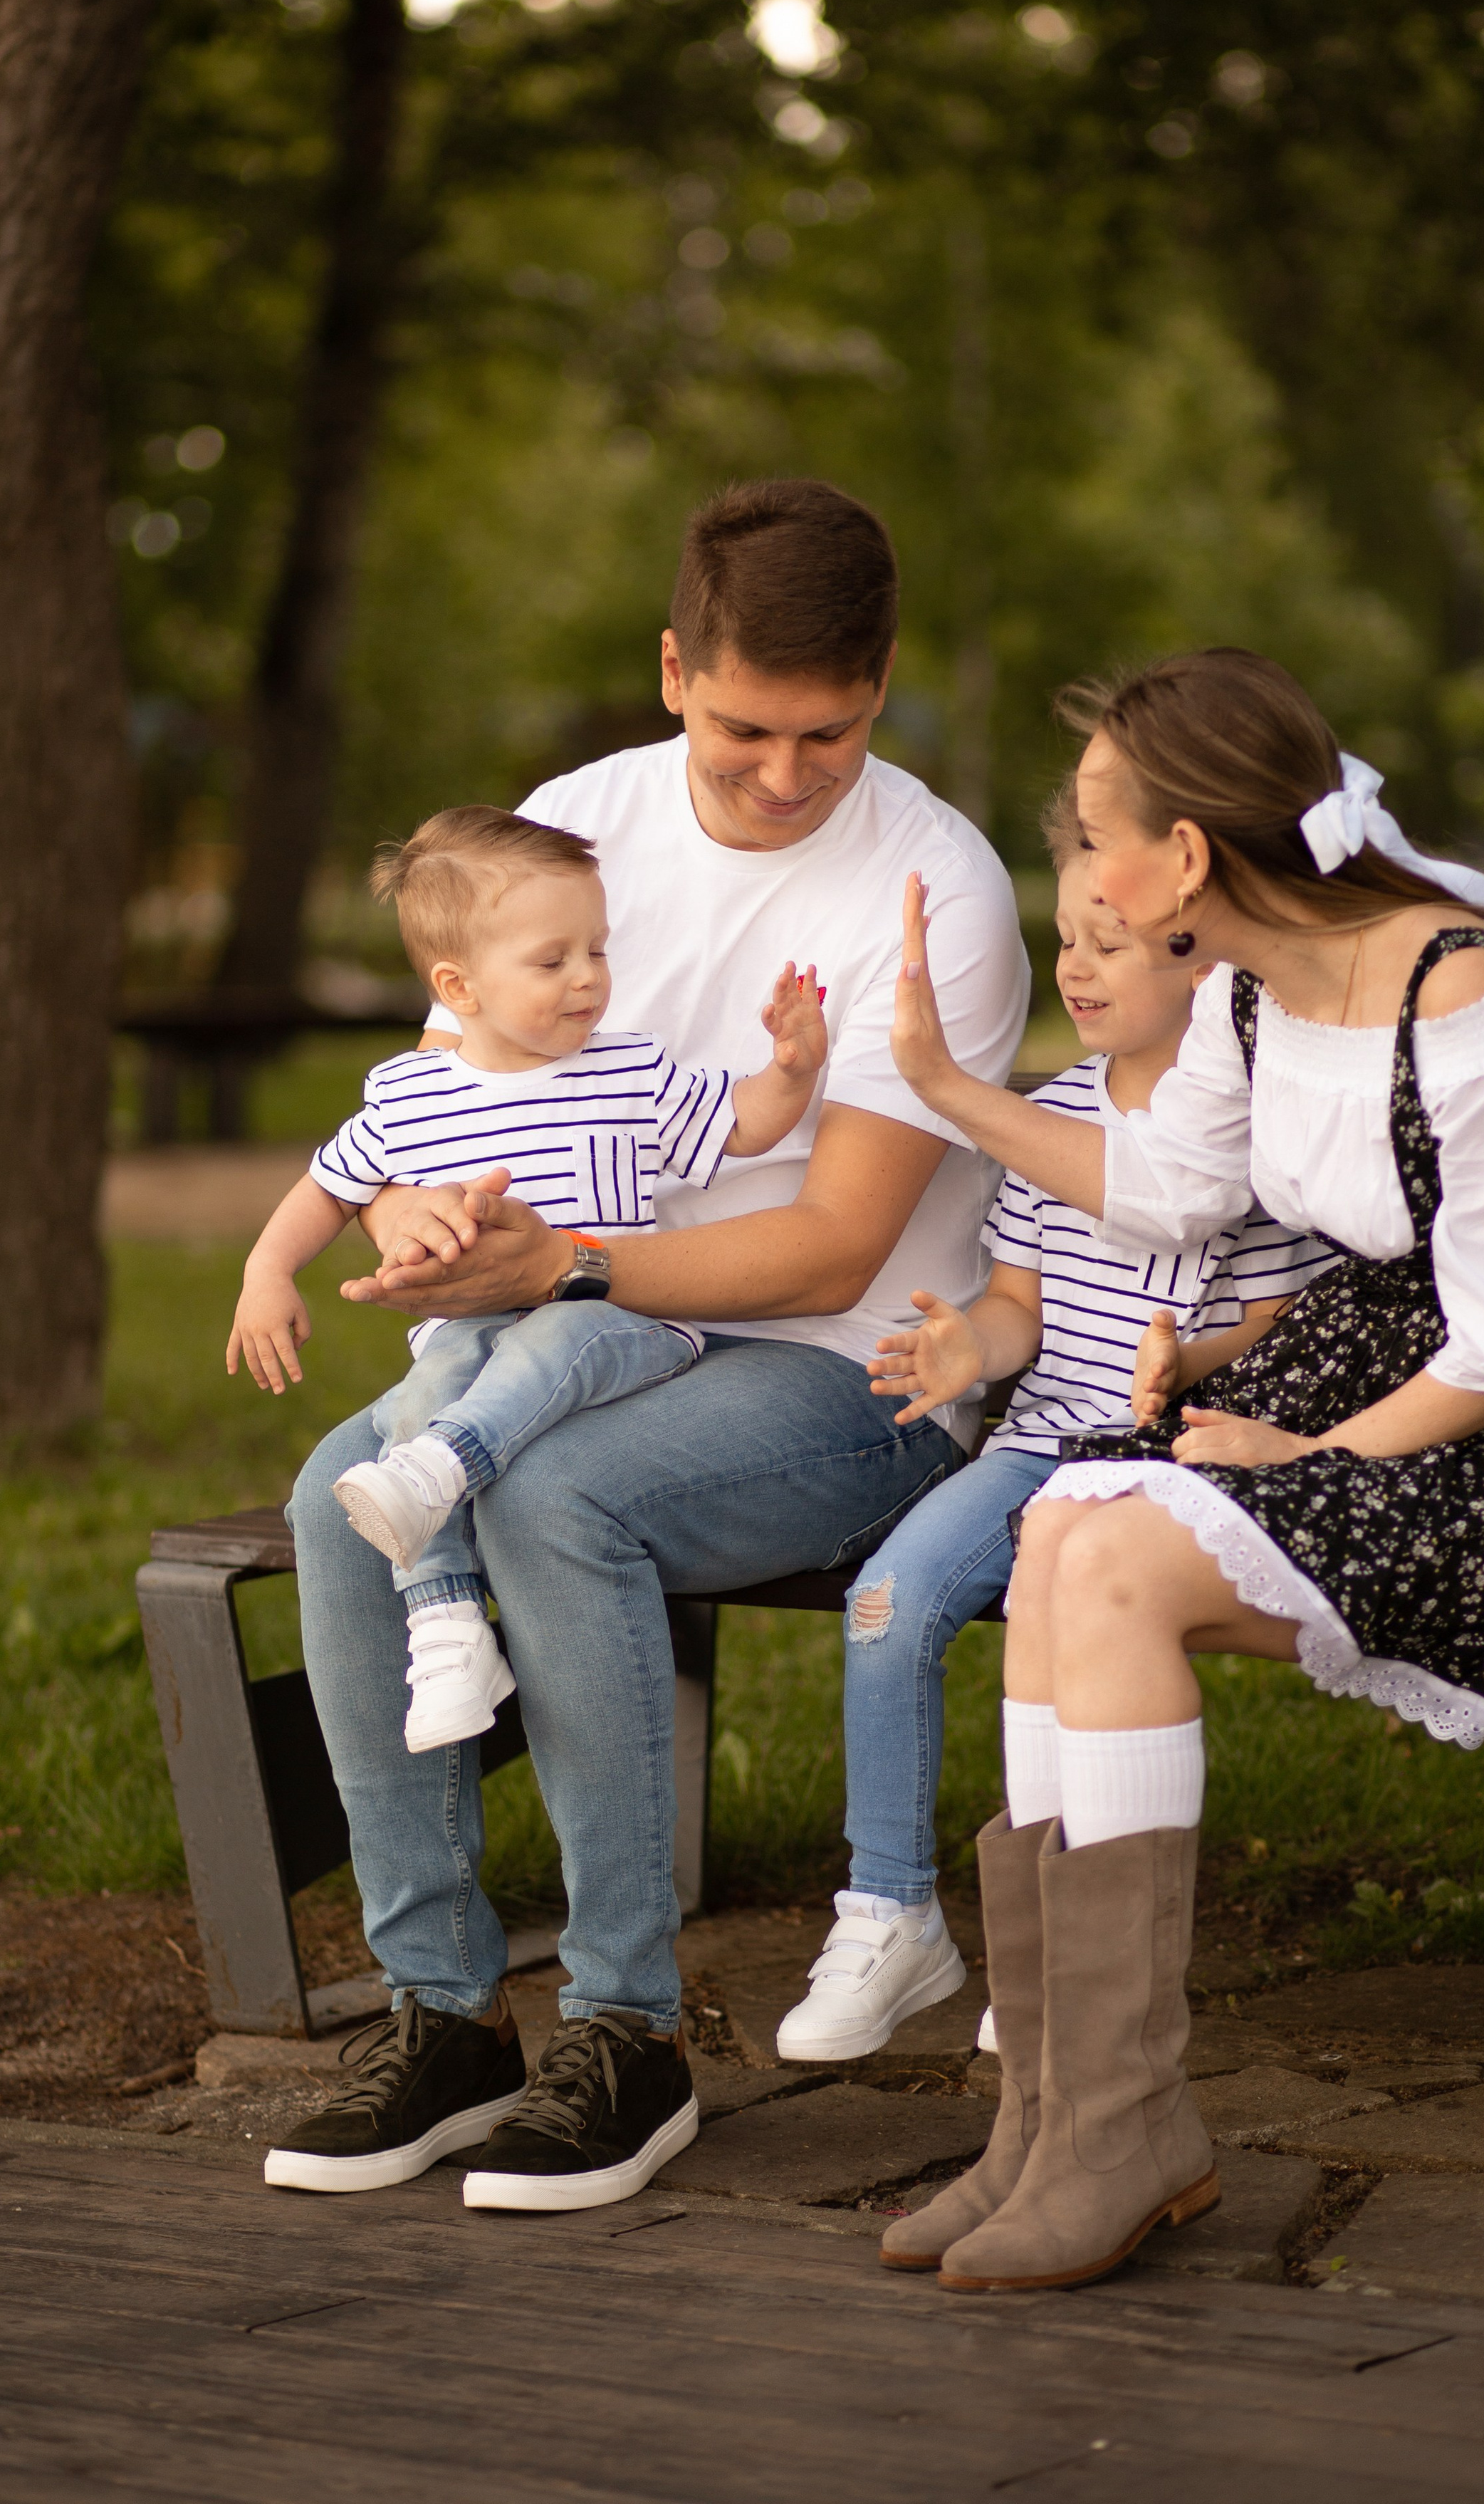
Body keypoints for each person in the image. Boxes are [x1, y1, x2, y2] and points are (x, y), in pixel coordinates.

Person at [876, 647, 1484, 2295]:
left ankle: (1122, 2127)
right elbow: (1166, 1190)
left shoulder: (1465, 996)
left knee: (1114, 1555)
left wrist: (1308, 1450)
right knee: (1059, 1529)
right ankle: (1049, 2115)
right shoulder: (1250, 990)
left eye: (1098, 835)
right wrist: (944, 1091)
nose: (1083, 869)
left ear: (1183, 857)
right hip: (1375, 1369)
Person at [264, 479, 1030, 2208]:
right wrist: (414, 1221)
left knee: (557, 1503)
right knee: (334, 1499)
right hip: (574, 1327)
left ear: (882, 683)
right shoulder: (571, 823)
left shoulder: (935, 886)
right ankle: (445, 2014)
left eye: (828, 733)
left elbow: (835, 1245)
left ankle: (628, 2033)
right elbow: (446, 1100)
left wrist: (569, 1269)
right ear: (674, 668)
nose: (785, 774)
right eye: (745, 727)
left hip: (854, 1372)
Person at [773, 786, 1333, 2061]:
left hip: (1173, 1464)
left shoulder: (1255, 1134)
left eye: (1108, 943)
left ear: (1202, 958)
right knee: (886, 1602)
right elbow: (1021, 1304)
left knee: (1075, 1627)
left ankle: (1062, 1951)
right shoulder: (1049, 1121)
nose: (1074, 968)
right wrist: (971, 1345)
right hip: (1039, 1448)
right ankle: (889, 1910)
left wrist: (1190, 1361)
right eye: (1066, 939)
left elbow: (1283, 1325)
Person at [228, 806, 827, 1754]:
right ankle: (447, 1627)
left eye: (598, 950)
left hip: (617, 1320)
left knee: (515, 1362)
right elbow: (329, 1189)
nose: (588, 976)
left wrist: (791, 1069)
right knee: (424, 1388)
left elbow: (743, 1125)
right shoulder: (406, 1096)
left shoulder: (628, 1072)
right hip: (472, 1332)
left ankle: (444, 1468)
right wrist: (267, 1270)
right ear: (457, 987)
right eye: (553, 961)